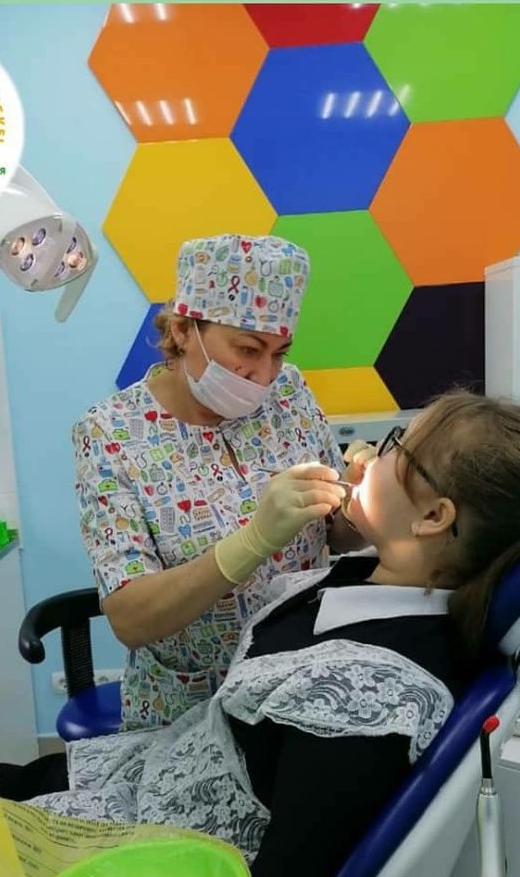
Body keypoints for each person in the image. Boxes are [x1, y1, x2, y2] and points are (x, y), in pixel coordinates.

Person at [0, 391, 520, 877]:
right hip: (157, 767)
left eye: (396, 447)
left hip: (159, 856)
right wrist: (309, 527)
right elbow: (137, 614)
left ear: (436, 515)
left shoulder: (368, 697)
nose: (366, 454)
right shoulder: (363, 576)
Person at [72, 233, 371, 731]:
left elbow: (332, 534)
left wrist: (357, 507)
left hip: (298, 684)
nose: (264, 375)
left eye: (279, 353)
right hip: (190, 710)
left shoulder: (289, 395)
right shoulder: (112, 434)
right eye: (248, 349)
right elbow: (130, 618)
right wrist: (250, 543)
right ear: (184, 329)